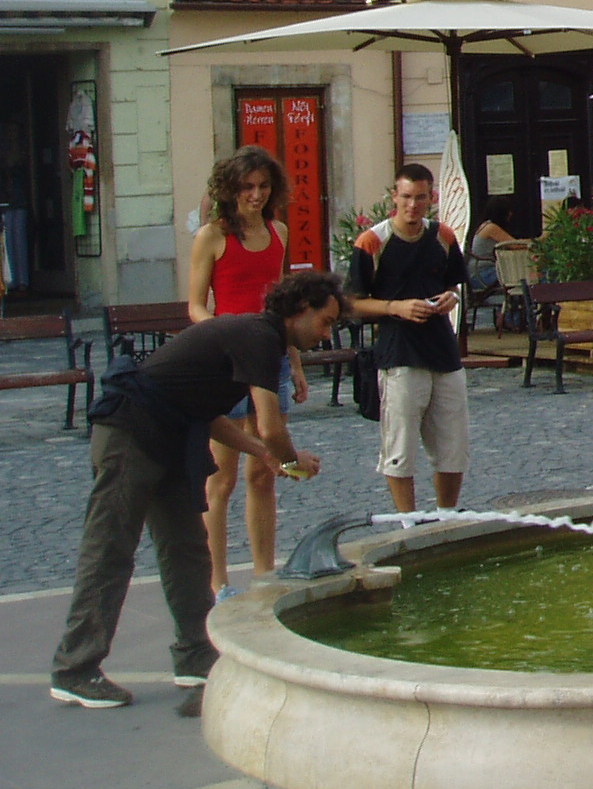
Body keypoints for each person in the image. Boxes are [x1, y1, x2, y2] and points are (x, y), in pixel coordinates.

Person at [50, 269, 336, 708]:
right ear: (300, 310)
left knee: (187, 550)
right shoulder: (260, 338)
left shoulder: (259, 338)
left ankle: (196, 658)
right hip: (129, 433)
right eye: (326, 321)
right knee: (110, 548)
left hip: (171, 435)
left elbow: (206, 412)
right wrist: (288, 459)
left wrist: (263, 455)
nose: (327, 333)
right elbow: (270, 424)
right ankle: (75, 669)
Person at [185, 146, 304, 600]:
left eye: (264, 186)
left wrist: (294, 361)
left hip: (270, 358)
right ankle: (217, 581)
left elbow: (282, 306)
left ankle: (264, 573)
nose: (256, 195)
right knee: (222, 477)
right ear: (230, 189)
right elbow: (196, 305)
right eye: (248, 187)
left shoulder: (278, 232)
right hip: (228, 360)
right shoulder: (213, 236)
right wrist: (224, 335)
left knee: (265, 472)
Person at [349, 165, 468, 516]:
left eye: (420, 197)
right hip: (399, 352)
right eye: (406, 197)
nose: (412, 205)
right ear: (394, 197)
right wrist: (394, 307)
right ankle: (408, 520)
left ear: (431, 198)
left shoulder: (443, 235)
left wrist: (451, 297)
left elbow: (454, 285)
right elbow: (352, 303)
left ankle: (446, 514)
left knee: (453, 445)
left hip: (443, 350)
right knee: (400, 447)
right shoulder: (373, 241)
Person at [465, 197, 518, 296]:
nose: (511, 214)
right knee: (519, 275)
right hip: (482, 274)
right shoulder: (491, 228)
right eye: (508, 211)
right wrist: (538, 241)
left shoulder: (485, 225)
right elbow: (515, 245)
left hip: (480, 273)